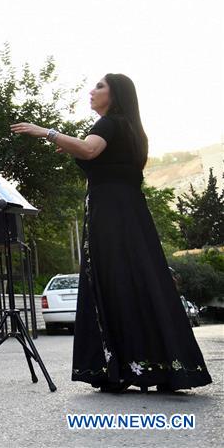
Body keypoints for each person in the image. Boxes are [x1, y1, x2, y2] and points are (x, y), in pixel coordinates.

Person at [12, 73, 212, 392]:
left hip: (110, 215)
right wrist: (73, 145)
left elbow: (90, 151)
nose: (92, 91)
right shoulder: (131, 130)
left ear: (115, 94)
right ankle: (161, 368)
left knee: (112, 282)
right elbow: (96, 154)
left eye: (100, 86)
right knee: (141, 282)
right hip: (131, 212)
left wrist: (46, 132)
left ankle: (118, 368)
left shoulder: (109, 124)